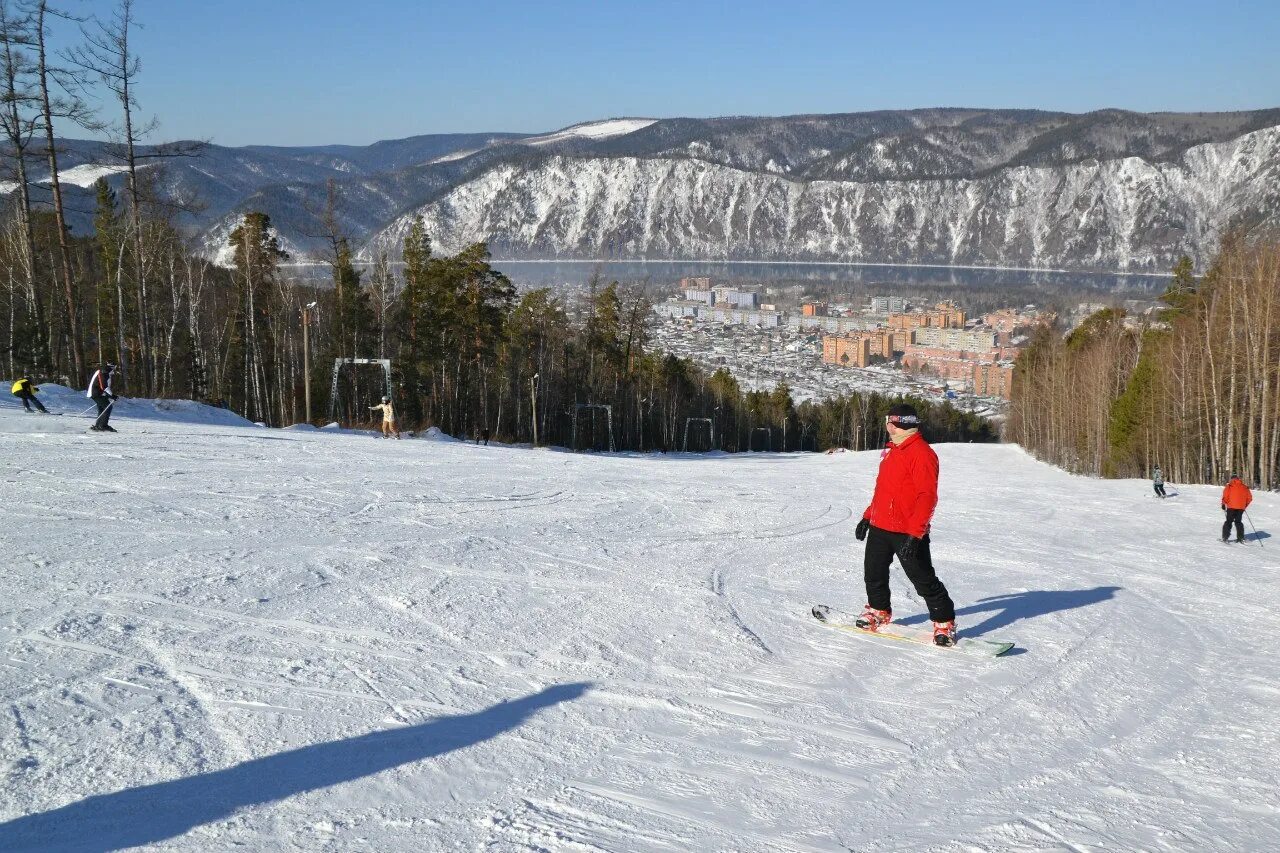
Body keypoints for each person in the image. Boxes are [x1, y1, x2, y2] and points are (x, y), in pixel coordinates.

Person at [854, 403, 958, 646]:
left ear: (898, 423)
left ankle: (944, 622)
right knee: (874, 573)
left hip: (907, 530)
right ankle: (879, 610)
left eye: (889, 421)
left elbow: (927, 496)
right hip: (880, 526)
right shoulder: (893, 449)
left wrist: (915, 533)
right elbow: (884, 490)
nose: (887, 425)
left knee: (922, 578)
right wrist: (868, 516)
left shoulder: (922, 453)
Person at [86, 363, 117, 432]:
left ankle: (98, 425)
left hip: (97, 393)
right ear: (111, 367)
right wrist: (112, 395)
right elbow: (104, 386)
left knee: (102, 408)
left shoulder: (102, 371)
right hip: (96, 393)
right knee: (108, 407)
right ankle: (103, 425)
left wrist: (109, 395)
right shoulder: (104, 372)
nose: (114, 369)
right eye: (114, 367)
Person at [1221, 474, 1252, 543]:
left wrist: (1223, 504)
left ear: (1232, 479)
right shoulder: (1244, 487)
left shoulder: (1229, 486)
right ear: (1238, 479)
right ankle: (1241, 538)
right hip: (1240, 508)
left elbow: (1225, 496)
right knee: (1238, 522)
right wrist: (1244, 505)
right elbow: (1249, 498)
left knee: (1229, 522)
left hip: (1231, 507)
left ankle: (1225, 537)